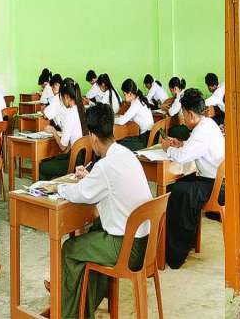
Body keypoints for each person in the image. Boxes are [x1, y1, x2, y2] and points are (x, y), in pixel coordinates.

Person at [54, 104, 152, 319]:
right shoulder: (126, 154)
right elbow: (110, 184)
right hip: (144, 242)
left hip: (126, 249)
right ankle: (78, 300)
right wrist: (91, 178)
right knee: (93, 234)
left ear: (93, 137)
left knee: (70, 248)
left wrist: (58, 187)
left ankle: (67, 312)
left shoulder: (104, 166)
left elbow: (80, 194)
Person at [162, 88, 225, 269]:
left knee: (176, 191)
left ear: (189, 114)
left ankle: (175, 254)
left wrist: (168, 148)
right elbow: (194, 147)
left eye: (183, 113)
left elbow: (182, 157)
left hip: (214, 186)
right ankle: (183, 243)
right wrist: (181, 144)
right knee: (180, 186)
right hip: (215, 181)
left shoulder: (201, 130)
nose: (182, 117)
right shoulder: (207, 124)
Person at [39, 81, 87, 180]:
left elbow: (63, 148)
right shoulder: (81, 109)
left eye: (61, 98)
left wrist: (53, 131)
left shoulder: (70, 114)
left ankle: (47, 190)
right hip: (84, 158)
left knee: (43, 167)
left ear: (66, 97)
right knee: (55, 159)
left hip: (75, 161)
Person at [114, 79, 154, 151]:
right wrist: (118, 116)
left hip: (145, 139)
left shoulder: (136, 103)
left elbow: (121, 121)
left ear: (129, 93)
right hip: (149, 135)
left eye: (124, 94)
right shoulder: (138, 99)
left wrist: (110, 119)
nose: (124, 96)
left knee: (119, 145)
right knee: (122, 141)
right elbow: (129, 116)